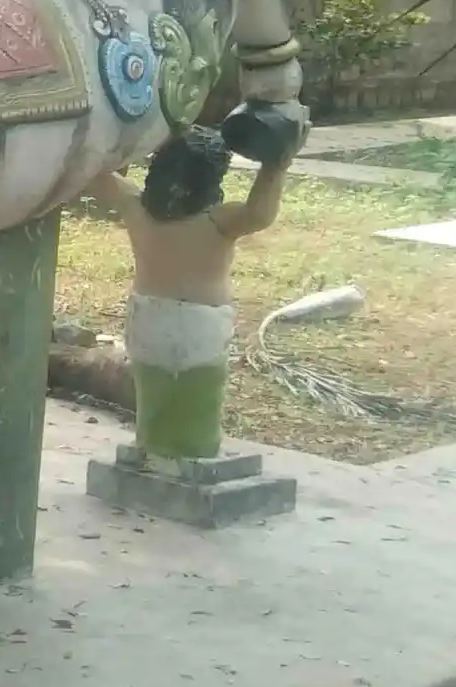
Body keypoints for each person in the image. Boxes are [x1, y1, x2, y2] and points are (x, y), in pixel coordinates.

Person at [86, 113, 302, 459]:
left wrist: (119, 133)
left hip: (148, 317)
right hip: (200, 325)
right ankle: (194, 453)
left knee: (153, 392)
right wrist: (275, 166)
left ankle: (152, 446)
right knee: (199, 396)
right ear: (211, 180)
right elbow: (259, 214)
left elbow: (95, 174)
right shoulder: (216, 221)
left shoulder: (135, 206)